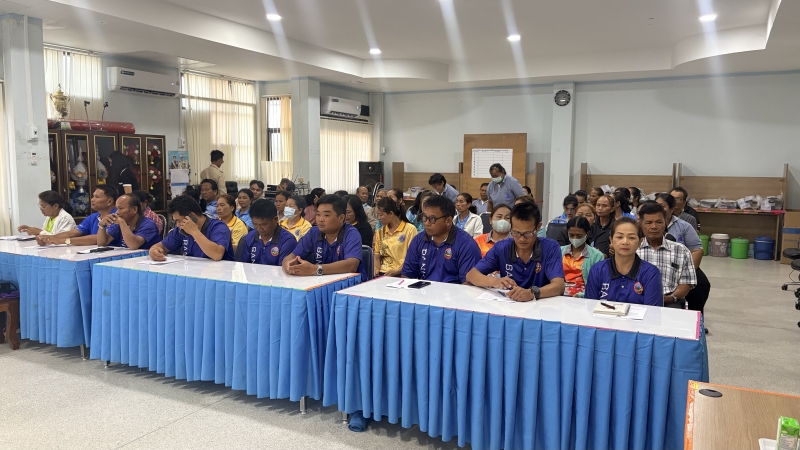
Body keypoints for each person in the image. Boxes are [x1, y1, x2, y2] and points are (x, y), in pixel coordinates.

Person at [466, 203, 566, 301]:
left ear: (538, 227)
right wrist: (494, 281)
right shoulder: (502, 248)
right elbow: (471, 275)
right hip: (509, 304)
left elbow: (559, 285)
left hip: (541, 305)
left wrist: (532, 293)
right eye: (516, 233)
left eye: (528, 233)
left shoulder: (550, 247)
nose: (522, 239)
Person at [282, 194, 366, 280]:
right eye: (318, 214)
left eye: (326, 215)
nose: (320, 219)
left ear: (341, 218)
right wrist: (287, 265)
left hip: (350, 284)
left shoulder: (351, 233)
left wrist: (315, 269)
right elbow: (292, 256)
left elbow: (351, 265)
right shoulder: (314, 232)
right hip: (320, 283)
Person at [401, 195, 481, 284]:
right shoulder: (418, 240)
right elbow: (407, 275)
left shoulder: (466, 245)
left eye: (432, 219)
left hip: (453, 292)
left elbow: (468, 284)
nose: (426, 223)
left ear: (448, 221)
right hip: (423, 291)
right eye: (424, 217)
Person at [585, 218, 664, 306]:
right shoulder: (597, 270)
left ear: (640, 242)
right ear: (611, 240)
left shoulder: (651, 273)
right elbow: (590, 306)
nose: (625, 242)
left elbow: (653, 311)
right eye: (619, 237)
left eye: (631, 238)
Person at [636, 201, 697, 308]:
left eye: (659, 222)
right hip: (637, 299)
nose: (654, 226)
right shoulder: (634, 250)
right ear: (641, 224)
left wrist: (671, 297)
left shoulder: (681, 250)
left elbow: (686, 283)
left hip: (670, 301)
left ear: (665, 223)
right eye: (649, 223)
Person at [149, 196, 234, 261]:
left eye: (179, 220)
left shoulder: (218, 227)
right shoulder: (181, 230)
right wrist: (153, 250)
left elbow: (217, 255)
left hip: (218, 275)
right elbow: (162, 246)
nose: (177, 225)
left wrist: (194, 231)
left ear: (192, 216)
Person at [36, 186, 117, 246]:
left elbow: (99, 238)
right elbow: (73, 233)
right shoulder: (93, 217)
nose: (92, 199)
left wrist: (64, 241)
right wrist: (50, 238)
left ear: (109, 201)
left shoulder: (116, 217)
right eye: (93, 196)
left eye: (97, 197)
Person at [235, 199, 297, 266]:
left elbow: (284, 269)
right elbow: (244, 266)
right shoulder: (249, 237)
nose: (259, 228)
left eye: (263, 224)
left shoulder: (287, 241)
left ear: (275, 219)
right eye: (255, 224)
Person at [373, 197, 418, 277]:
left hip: (402, 273)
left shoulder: (410, 229)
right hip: (383, 274)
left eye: (381, 215)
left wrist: (397, 271)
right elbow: (377, 256)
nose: (379, 218)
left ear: (391, 214)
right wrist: (376, 269)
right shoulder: (379, 232)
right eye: (378, 215)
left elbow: (412, 257)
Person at [561, 216, 604, 297]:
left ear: (587, 234)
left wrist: (580, 295)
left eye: (579, 236)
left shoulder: (597, 256)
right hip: (559, 294)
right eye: (571, 235)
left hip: (584, 296)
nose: (575, 238)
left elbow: (598, 284)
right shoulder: (559, 251)